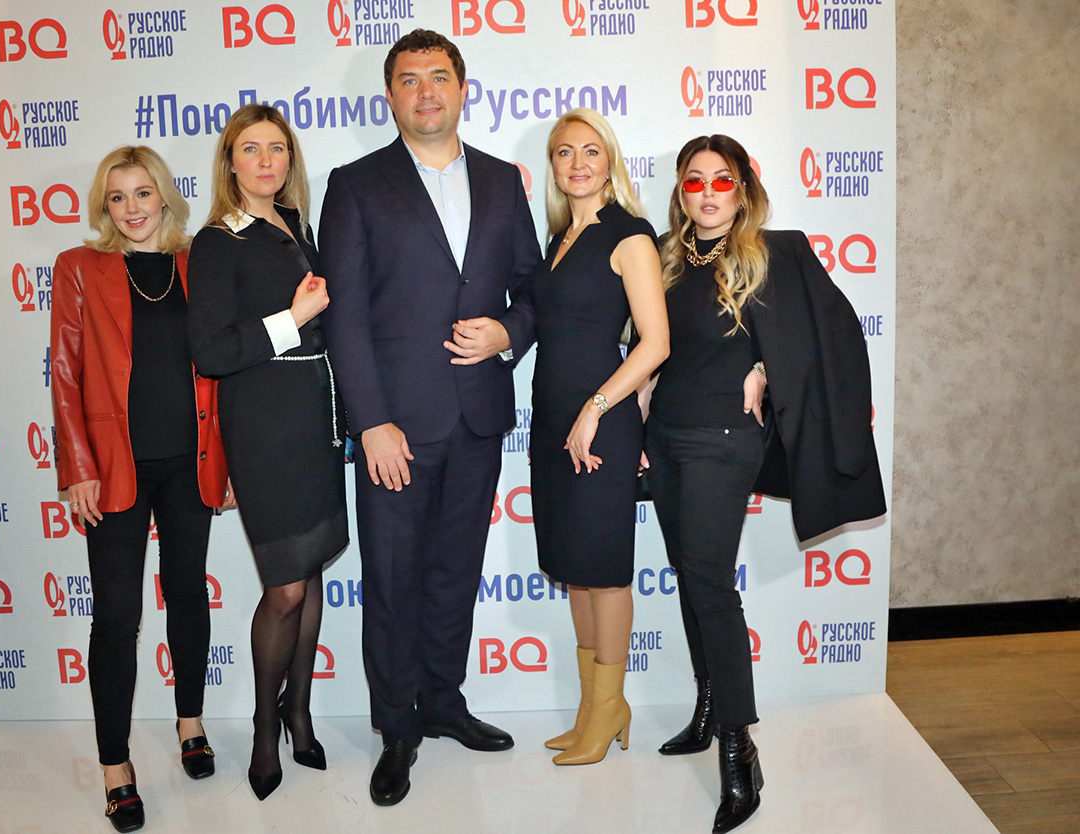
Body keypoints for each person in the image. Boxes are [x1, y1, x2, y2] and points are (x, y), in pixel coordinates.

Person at [319, 28, 540, 807]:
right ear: (390, 96)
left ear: (462, 88)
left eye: (438, 76)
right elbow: (344, 317)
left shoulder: (503, 181)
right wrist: (370, 422)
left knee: (455, 574)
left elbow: (532, 288)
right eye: (409, 79)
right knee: (391, 582)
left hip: (477, 418)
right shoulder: (355, 184)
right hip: (396, 430)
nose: (426, 92)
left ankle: (443, 704)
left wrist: (509, 333)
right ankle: (396, 730)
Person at [644, 134, 886, 833]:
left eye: (722, 179)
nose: (708, 192)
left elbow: (835, 336)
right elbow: (651, 349)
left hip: (725, 440)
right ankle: (706, 706)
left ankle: (737, 749)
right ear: (681, 191)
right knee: (691, 578)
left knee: (710, 583)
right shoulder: (664, 256)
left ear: (743, 189)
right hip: (666, 438)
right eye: (694, 181)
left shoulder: (777, 252)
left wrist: (767, 369)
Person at [51, 146, 230, 833]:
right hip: (111, 468)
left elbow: (221, 367)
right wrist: (77, 466)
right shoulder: (80, 267)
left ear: (164, 196)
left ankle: (191, 723)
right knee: (116, 617)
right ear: (105, 206)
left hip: (190, 462)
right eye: (117, 196)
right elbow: (66, 372)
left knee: (187, 593)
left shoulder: (196, 264)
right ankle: (115, 767)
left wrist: (229, 460)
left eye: (142, 192)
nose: (131, 208)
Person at [187, 104, 348, 803]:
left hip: (315, 418)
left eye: (277, 148)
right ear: (230, 160)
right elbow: (213, 351)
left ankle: (299, 713)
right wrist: (294, 317)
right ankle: (262, 727)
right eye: (250, 149)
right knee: (284, 587)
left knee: (310, 573)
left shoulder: (295, 225)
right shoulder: (216, 240)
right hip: (263, 425)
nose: (265, 161)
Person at [530, 109, 669, 765]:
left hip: (599, 422)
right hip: (553, 420)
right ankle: (593, 708)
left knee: (605, 573)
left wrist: (597, 408)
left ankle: (611, 705)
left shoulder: (629, 235)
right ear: (554, 166)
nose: (578, 163)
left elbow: (655, 342)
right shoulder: (559, 238)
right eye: (565, 152)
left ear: (609, 160)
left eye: (591, 150)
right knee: (576, 571)